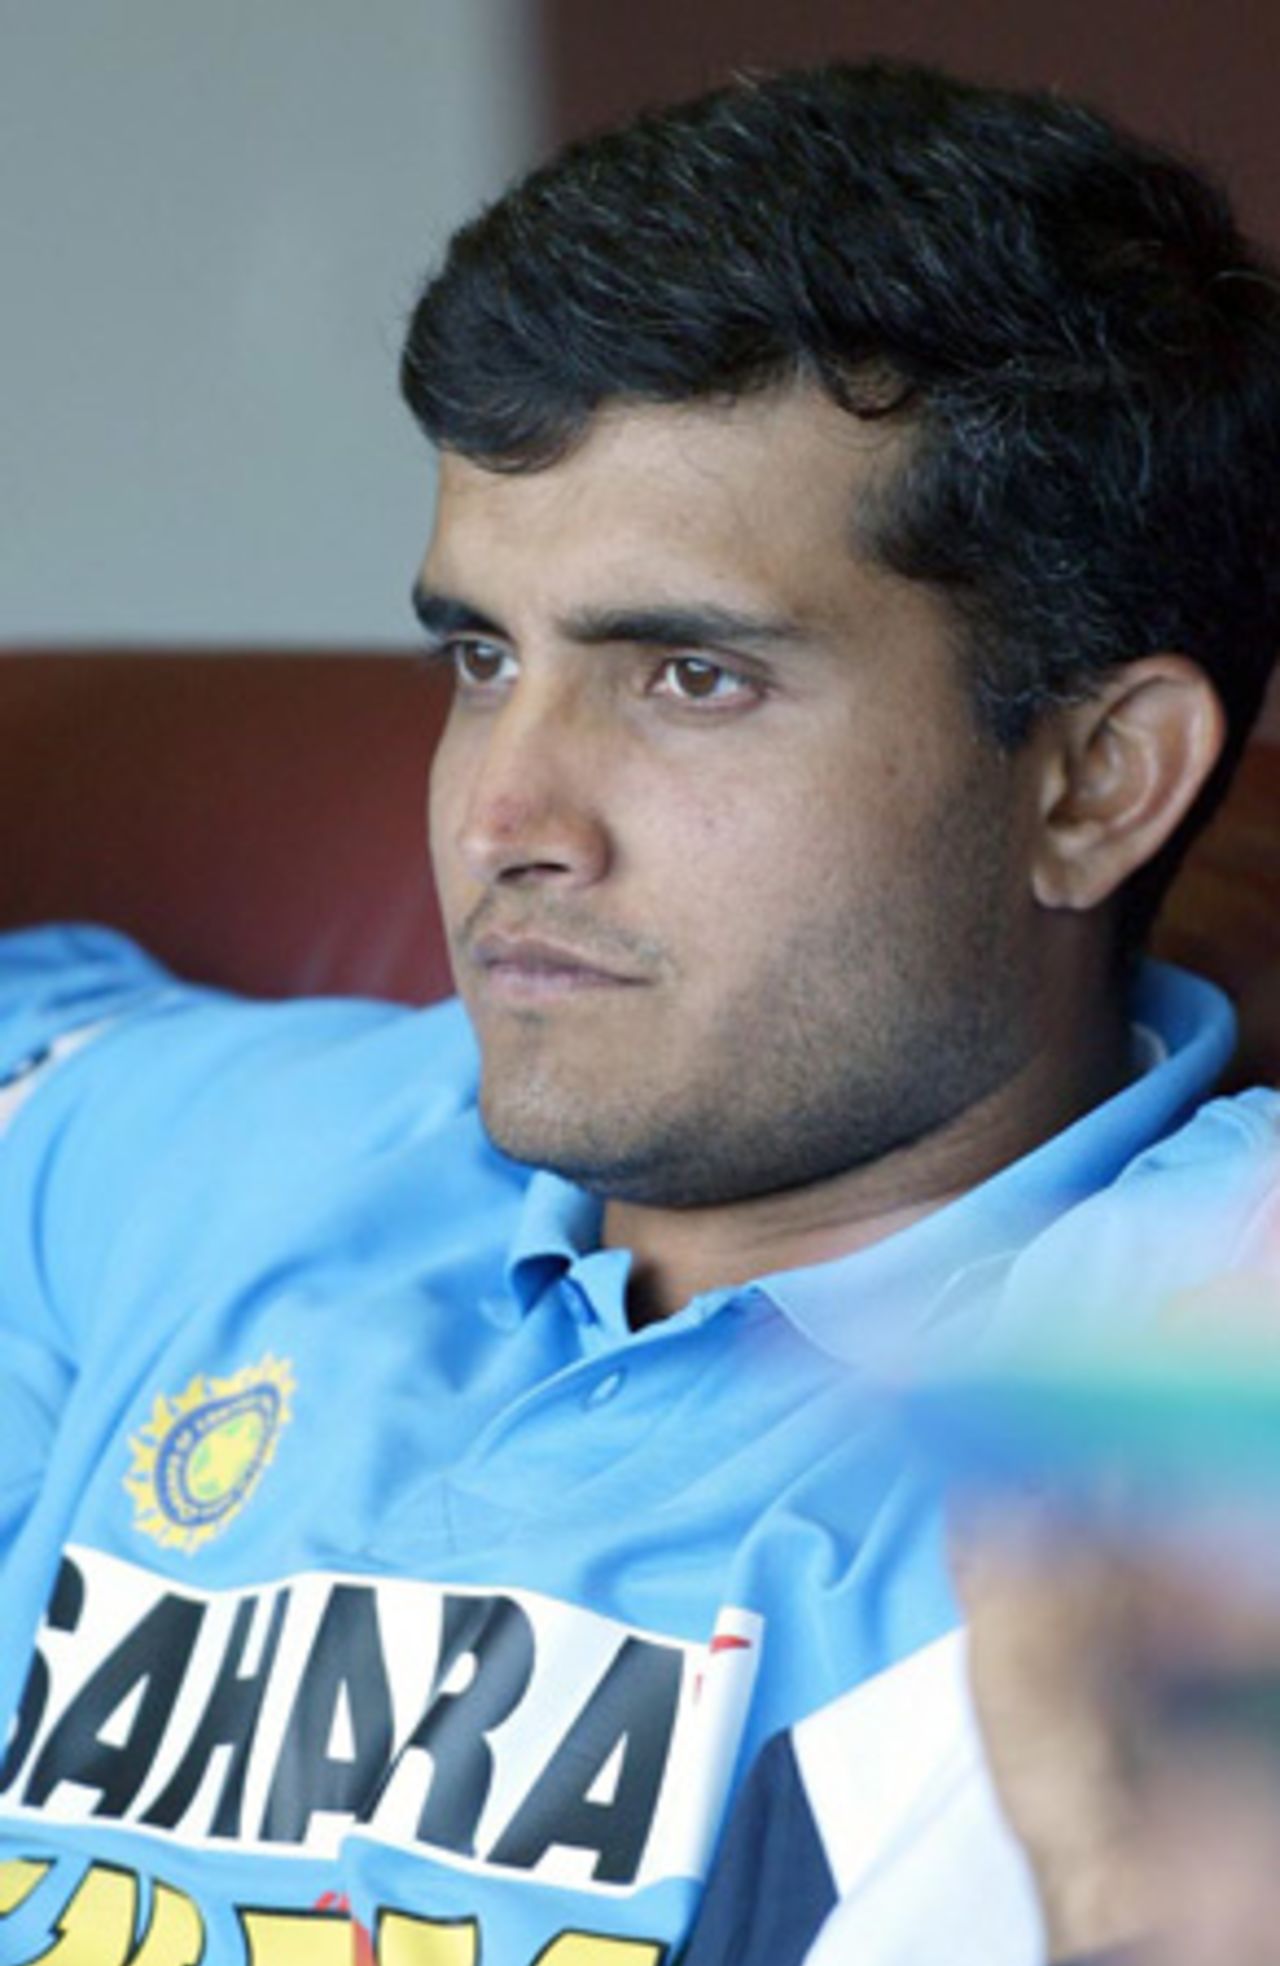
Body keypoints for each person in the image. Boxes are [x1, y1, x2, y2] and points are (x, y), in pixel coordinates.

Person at [1, 56, 1278, 1966]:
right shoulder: (191, 1144)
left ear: (1095, 780)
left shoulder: (1177, 1331)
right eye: (478, 655)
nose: (502, 819)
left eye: (690, 675)